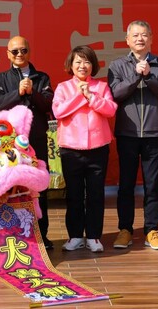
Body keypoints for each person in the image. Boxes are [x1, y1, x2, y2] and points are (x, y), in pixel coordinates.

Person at [107, 20, 158, 250]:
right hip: (127, 134)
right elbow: (115, 94)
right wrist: (136, 76)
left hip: (154, 134)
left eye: (144, 35)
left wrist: (149, 77)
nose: (140, 39)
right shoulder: (117, 66)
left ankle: (151, 230)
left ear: (151, 39)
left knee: (152, 185)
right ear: (127, 40)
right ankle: (125, 230)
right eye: (135, 35)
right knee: (126, 184)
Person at [0, 36, 55, 249]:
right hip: (10, 144)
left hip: (35, 139)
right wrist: (17, 92)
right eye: (15, 51)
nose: (19, 55)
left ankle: (41, 235)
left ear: (29, 52)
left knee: (38, 185)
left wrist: (32, 92)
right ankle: (14, 235)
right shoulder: (1, 78)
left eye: (23, 50)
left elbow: (49, 105)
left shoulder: (42, 77)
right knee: (11, 186)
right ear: (8, 54)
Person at [52, 45, 117, 253]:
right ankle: (75, 235)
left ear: (93, 65)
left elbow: (111, 110)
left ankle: (94, 236)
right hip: (71, 148)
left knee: (96, 194)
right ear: (71, 65)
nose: (82, 66)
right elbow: (58, 111)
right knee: (74, 194)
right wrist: (80, 96)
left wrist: (91, 96)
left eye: (87, 61)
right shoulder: (63, 87)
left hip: (98, 148)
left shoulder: (101, 86)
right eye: (78, 61)